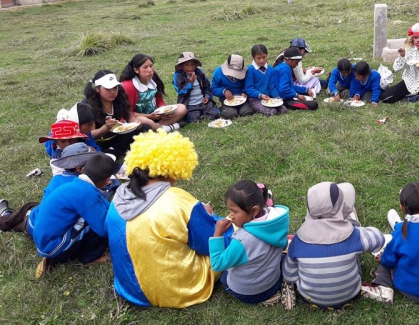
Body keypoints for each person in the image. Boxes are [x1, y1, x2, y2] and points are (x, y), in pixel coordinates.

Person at [106, 130, 231, 308]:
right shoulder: (177, 200)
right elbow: (209, 245)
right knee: (232, 234)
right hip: (171, 291)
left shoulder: (119, 195)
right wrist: (208, 216)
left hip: (128, 287)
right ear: (174, 168)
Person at [282, 182, 385, 309]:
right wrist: (354, 226)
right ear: (341, 207)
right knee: (355, 255)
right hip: (350, 294)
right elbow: (379, 238)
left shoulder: (298, 240)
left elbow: (288, 275)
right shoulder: (354, 235)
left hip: (311, 298)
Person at [360, 183, 419, 304]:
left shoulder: (403, 233)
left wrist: (383, 258)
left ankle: (384, 287)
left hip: (412, 290)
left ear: (402, 207)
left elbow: (389, 260)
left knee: (384, 259)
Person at [28, 153, 114, 278]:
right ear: (106, 180)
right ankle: (90, 258)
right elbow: (103, 229)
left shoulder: (78, 184)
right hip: (52, 246)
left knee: (94, 214)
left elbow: (105, 204)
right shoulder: (85, 193)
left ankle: (66, 253)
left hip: (46, 238)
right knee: (93, 221)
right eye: (109, 179)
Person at [210, 180, 290, 305]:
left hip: (250, 294)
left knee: (225, 278)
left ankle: (264, 300)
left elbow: (217, 264)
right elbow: (283, 244)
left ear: (254, 211)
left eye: (235, 211)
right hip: (273, 282)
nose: (230, 216)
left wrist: (217, 234)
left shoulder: (242, 240)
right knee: (282, 258)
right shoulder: (277, 220)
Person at [0, 143, 99, 234]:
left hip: (41, 221)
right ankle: (4, 219)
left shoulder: (58, 179)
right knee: (29, 210)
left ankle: (6, 217)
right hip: (43, 225)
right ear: (80, 169)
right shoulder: (81, 185)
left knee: (29, 210)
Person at [83, 70, 149, 160]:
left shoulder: (119, 98)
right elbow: (88, 135)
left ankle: (118, 151)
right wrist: (105, 127)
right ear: (97, 89)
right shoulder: (88, 105)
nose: (113, 92)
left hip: (115, 136)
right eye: (108, 89)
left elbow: (128, 115)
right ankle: (115, 152)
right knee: (99, 155)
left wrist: (135, 123)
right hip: (98, 142)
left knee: (145, 128)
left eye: (115, 88)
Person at [120, 53, 187, 131]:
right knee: (144, 120)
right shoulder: (128, 85)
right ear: (136, 70)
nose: (150, 70)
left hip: (155, 115)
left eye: (151, 66)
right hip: (139, 117)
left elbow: (159, 101)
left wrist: (164, 112)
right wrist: (150, 116)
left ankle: (157, 127)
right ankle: (166, 128)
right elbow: (128, 112)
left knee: (182, 108)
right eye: (145, 67)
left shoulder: (153, 79)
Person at [381, 23, 419, 104]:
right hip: (409, 82)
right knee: (385, 97)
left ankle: (411, 97)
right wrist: (402, 56)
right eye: (415, 37)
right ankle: (411, 96)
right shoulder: (408, 50)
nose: (418, 40)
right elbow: (396, 69)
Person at [172, 52, 220, 123]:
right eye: (187, 65)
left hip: (202, 101)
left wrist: (207, 96)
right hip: (189, 104)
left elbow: (207, 85)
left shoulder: (199, 72)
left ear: (195, 65)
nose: (190, 67)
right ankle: (194, 114)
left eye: (192, 64)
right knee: (195, 118)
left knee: (216, 115)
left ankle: (205, 111)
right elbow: (180, 91)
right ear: (181, 66)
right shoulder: (178, 76)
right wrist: (190, 83)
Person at [244, 44, 287, 116]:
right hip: (254, 99)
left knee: (283, 110)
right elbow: (249, 89)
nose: (262, 60)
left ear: (267, 55)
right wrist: (260, 95)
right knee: (272, 111)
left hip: (268, 98)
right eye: (258, 58)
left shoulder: (270, 69)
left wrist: (277, 97)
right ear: (253, 58)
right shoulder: (250, 70)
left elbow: (272, 87)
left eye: (264, 57)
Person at [211, 54, 254, 119]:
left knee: (246, 111)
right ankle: (223, 108)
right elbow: (214, 88)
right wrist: (224, 91)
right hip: (226, 99)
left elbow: (247, 85)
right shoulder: (218, 72)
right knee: (230, 114)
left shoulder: (246, 73)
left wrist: (244, 92)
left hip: (241, 98)